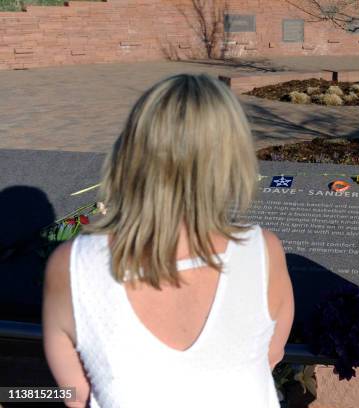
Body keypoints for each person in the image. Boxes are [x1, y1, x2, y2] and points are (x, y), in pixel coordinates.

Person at [42, 74, 294, 407]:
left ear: (131, 151)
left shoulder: (72, 266)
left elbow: (76, 396)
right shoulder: (264, 253)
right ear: (232, 159)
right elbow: (269, 354)